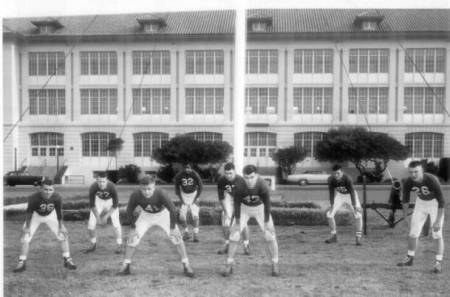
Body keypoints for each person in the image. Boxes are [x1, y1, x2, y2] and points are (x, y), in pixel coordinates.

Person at [117, 175, 194, 277]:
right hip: (146, 215)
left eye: (149, 189)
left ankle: (186, 265)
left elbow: (172, 210)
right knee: (132, 238)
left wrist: (172, 228)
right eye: (144, 189)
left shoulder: (161, 193)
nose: (147, 192)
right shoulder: (135, 195)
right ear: (140, 188)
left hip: (163, 215)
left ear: (154, 187)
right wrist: (132, 228)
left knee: (177, 237)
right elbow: (129, 210)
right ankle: (126, 266)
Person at [222, 165, 280, 277]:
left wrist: (267, 222)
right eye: (246, 177)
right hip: (244, 208)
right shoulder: (239, 185)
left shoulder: (262, 184)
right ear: (243, 177)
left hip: (260, 209)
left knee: (270, 235)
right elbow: (237, 204)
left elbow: (267, 204)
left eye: (252, 177)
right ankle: (229, 264)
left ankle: (275, 263)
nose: (249, 180)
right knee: (234, 235)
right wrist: (238, 222)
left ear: (257, 175)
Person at [13, 178, 77, 272]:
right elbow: (29, 213)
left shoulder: (57, 197)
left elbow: (59, 212)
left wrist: (61, 226)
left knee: (63, 235)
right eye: (45, 189)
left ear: (53, 190)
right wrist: (27, 227)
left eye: (50, 190)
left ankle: (67, 260)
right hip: (36, 215)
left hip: (51, 215)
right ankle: (22, 262)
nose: (48, 192)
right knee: (26, 236)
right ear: (40, 189)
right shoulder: (33, 197)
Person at [397, 161, 446, 273]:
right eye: (411, 172)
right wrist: (405, 217)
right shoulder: (409, 181)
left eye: (416, 172)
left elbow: (442, 201)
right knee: (413, 232)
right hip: (421, 203)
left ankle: (438, 263)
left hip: (435, 203)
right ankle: (410, 258)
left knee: (437, 234)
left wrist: (438, 220)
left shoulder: (431, 180)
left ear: (422, 171)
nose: (413, 174)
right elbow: (405, 200)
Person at [84, 171, 123, 254]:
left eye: (103, 181)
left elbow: (115, 205)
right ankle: (93, 244)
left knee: (116, 223)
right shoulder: (93, 187)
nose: (101, 184)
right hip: (99, 201)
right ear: (96, 180)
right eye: (99, 181)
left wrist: (105, 216)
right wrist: (98, 218)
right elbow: (92, 205)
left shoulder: (112, 187)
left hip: (110, 201)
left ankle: (119, 244)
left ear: (107, 180)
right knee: (91, 224)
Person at [216, 162, 250, 255]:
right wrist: (226, 212)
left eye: (230, 173)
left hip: (241, 200)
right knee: (225, 222)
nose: (228, 175)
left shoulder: (241, 180)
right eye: (226, 173)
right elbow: (221, 198)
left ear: (234, 171)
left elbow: (245, 197)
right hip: (229, 198)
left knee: (243, 223)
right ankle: (227, 245)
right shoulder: (221, 180)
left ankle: (246, 245)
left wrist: (238, 210)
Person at [325, 164, 363, 245]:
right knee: (329, 214)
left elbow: (352, 192)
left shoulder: (347, 178)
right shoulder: (331, 180)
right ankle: (333, 236)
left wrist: (354, 205)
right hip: (340, 195)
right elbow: (331, 192)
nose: (336, 175)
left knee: (358, 215)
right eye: (334, 173)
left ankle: (358, 238)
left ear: (342, 173)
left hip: (350, 195)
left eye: (338, 173)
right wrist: (332, 205)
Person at [174, 163, 203, 242]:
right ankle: (186, 233)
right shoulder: (179, 175)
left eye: (189, 168)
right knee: (182, 217)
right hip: (184, 195)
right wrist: (181, 199)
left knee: (195, 216)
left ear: (192, 168)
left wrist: (196, 198)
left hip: (193, 194)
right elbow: (176, 188)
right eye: (186, 168)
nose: (188, 169)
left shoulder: (195, 175)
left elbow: (201, 187)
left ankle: (195, 234)